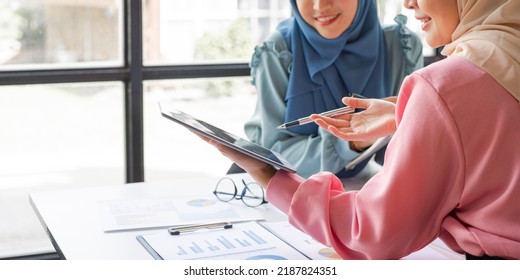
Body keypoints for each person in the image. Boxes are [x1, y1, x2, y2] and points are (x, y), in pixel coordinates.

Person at [201, 0, 520, 259]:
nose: (408, 3)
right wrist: (409, 113)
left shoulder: (434, 76)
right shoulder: (278, 50)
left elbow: (377, 232)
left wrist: (270, 178)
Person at [233, 0, 423, 178]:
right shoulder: (278, 51)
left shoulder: (401, 47)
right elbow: (273, 155)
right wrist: (352, 141)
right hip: (291, 194)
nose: (320, 5)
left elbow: (406, 149)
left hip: (365, 191)